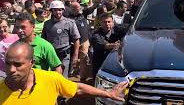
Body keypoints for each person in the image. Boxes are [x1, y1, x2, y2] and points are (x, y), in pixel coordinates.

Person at [0, 41, 128, 105]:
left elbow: (78, 89)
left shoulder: (51, 79)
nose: (11, 70)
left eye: (18, 64)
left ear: (32, 62)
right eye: (8, 63)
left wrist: (108, 94)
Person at [42, 0, 81, 77]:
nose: (58, 12)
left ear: (63, 10)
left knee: (63, 77)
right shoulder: (47, 24)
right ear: (51, 11)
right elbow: (44, 39)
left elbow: (76, 40)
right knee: (52, 77)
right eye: (55, 10)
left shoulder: (70, 23)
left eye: (60, 10)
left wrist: (76, 55)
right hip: (51, 55)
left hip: (64, 55)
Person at [91, 13, 126, 77]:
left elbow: (130, 30)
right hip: (100, 62)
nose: (107, 24)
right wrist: (114, 45)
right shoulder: (96, 34)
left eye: (109, 22)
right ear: (100, 23)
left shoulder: (118, 30)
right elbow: (102, 45)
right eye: (104, 22)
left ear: (113, 22)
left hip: (115, 62)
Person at [70, 2, 91, 81]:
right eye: (78, 7)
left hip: (84, 41)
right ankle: (75, 71)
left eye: (79, 7)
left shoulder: (83, 15)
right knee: (74, 58)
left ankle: (82, 77)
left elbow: (91, 9)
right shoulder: (68, 18)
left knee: (84, 59)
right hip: (74, 42)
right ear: (72, 9)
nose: (80, 9)